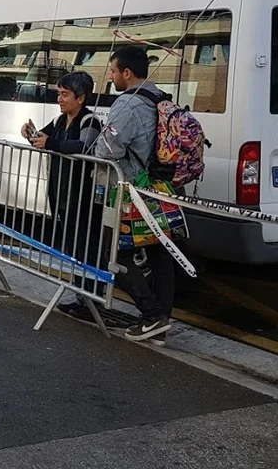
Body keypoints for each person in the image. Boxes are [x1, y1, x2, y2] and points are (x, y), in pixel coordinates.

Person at [92, 44, 175, 342]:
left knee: (116, 253)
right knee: (159, 254)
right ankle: (159, 327)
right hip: (157, 187)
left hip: (128, 190)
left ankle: (152, 316)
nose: (111, 76)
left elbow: (107, 149)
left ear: (126, 73)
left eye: (113, 71)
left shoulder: (128, 104)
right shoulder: (160, 97)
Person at [23, 71, 107, 319]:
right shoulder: (60, 120)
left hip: (82, 196)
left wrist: (50, 143)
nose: (59, 99)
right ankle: (81, 296)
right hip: (61, 193)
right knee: (72, 246)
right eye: (58, 93)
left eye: (64, 94)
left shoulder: (89, 121)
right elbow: (43, 139)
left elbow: (84, 147)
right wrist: (31, 133)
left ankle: (92, 300)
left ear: (80, 98)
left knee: (87, 247)